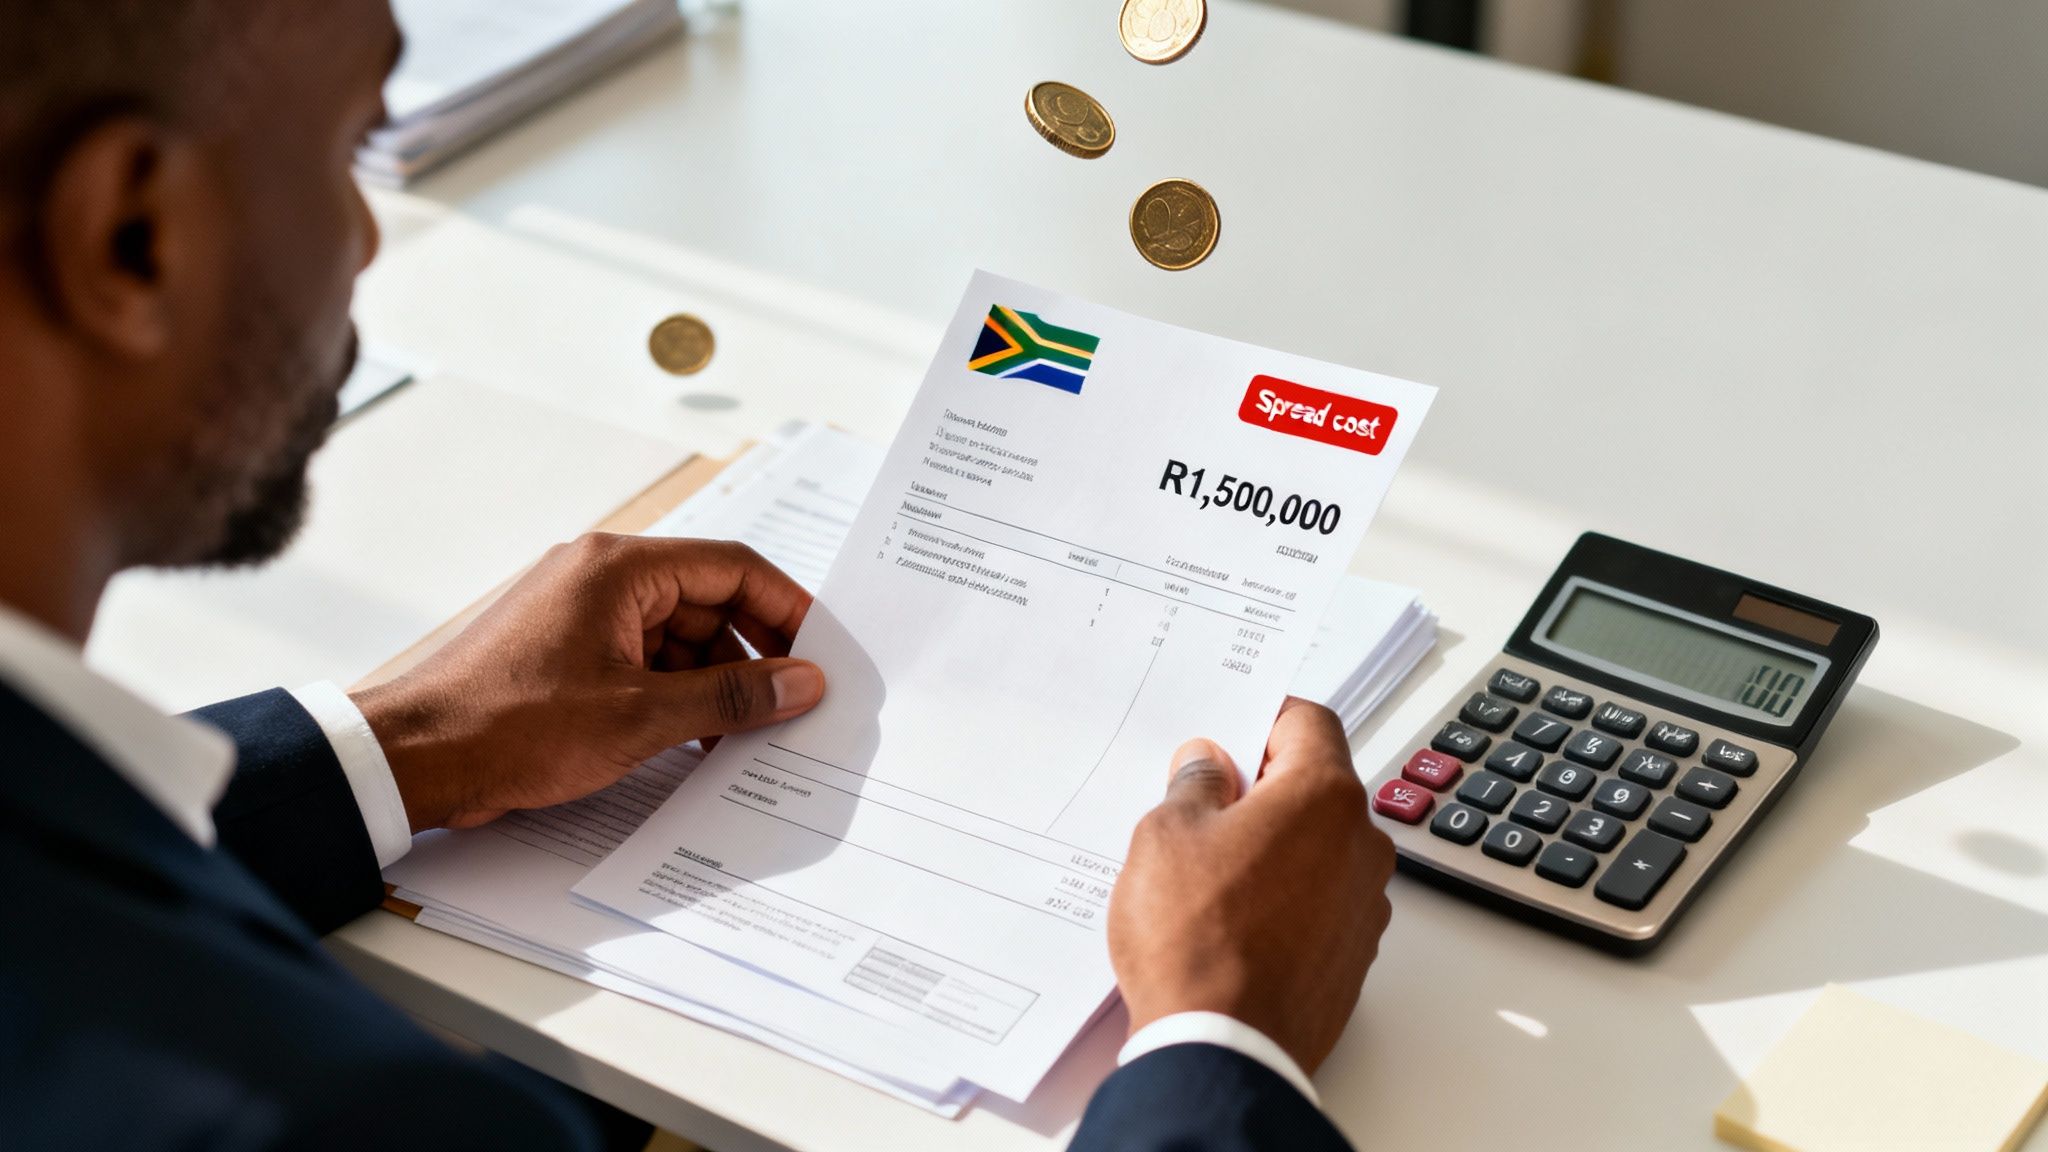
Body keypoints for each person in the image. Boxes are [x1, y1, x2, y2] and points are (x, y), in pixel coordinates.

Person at [0, 3, 1397, 1149]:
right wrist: (1222, 1044)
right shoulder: (327, 1119)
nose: (366, 238)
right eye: (349, 146)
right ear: (136, 237)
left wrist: (395, 747)